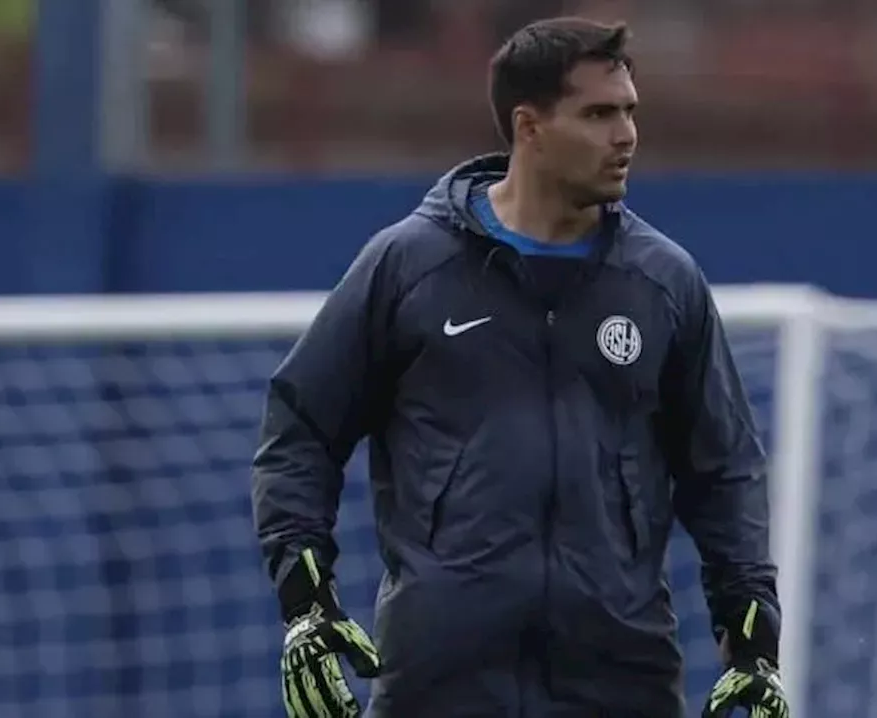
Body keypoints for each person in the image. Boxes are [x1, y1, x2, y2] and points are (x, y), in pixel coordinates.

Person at [252, 16, 788, 718]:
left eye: (629, 111)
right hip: (439, 680)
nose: (625, 135)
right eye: (598, 114)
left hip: (619, 680)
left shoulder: (663, 283)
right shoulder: (409, 266)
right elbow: (299, 431)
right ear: (528, 127)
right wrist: (306, 602)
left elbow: (725, 472)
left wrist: (752, 639)